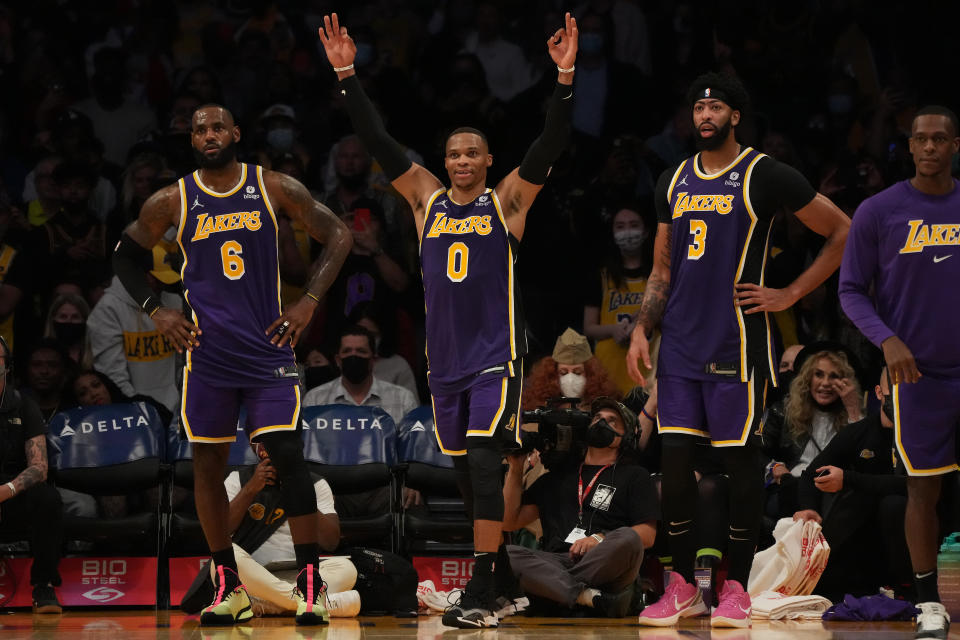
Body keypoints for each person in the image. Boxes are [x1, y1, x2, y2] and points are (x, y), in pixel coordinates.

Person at [319, 11, 578, 629]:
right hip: (446, 366)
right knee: (466, 477)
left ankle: (482, 588)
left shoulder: (507, 202)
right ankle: (509, 580)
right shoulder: (425, 200)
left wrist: (565, 79)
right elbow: (379, 142)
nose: (461, 161)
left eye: (472, 153)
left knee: (488, 468)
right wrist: (347, 74)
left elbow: (549, 145)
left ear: (489, 160)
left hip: (495, 358)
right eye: (453, 154)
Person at [112, 103, 352, 626]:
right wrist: (157, 311)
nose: (209, 134)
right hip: (208, 359)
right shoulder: (172, 199)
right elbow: (123, 256)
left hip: (267, 350)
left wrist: (309, 299)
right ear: (191, 139)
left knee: (287, 457)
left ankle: (310, 583)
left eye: (218, 126)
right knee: (206, 469)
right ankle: (229, 586)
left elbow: (339, 235)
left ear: (236, 133)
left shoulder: (271, 186)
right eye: (199, 128)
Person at [626, 72, 850, 628]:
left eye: (716, 107)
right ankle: (679, 585)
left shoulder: (763, 173)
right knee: (674, 470)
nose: (705, 115)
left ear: (735, 117)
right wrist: (639, 329)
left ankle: (736, 589)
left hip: (735, 343)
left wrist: (790, 293)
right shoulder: (672, 180)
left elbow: (842, 229)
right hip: (678, 343)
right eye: (698, 108)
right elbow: (661, 269)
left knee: (738, 467)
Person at [838, 104, 960, 639]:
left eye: (940, 139)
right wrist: (886, 341)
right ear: (909, 146)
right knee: (921, 492)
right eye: (921, 139)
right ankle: (927, 599)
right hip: (919, 377)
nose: (930, 147)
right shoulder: (878, 212)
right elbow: (849, 290)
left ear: (956, 145)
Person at [502, 397, 657, 617]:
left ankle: (555, 591)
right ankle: (585, 597)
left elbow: (647, 535)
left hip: (605, 561)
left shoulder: (635, 476)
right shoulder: (556, 477)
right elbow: (509, 521)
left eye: (612, 421)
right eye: (597, 418)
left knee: (629, 539)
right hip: (558, 559)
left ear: (627, 436)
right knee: (505, 554)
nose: (602, 423)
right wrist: (516, 467)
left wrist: (599, 539)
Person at [182, 440, 361, 619]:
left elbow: (330, 541)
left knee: (346, 568)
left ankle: (265, 605)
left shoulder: (315, 484)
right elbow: (222, 530)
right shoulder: (238, 478)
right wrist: (250, 489)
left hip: (300, 573)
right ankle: (312, 603)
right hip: (252, 573)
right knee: (224, 559)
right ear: (254, 448)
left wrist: (299, 492)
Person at [793, 368, 909, 600]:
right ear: (878, 392)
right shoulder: (858, 433)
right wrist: (809, 508)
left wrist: (849, 479)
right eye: (891, 393)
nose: (897, 400)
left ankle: (907, 588)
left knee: (892, 504)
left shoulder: (922, 434)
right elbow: (810, 475)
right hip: (859, 530)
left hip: (905, 526)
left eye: (905, 394)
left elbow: (912, 484)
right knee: (851, 500)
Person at [761, 345, 864, 518]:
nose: (825, 383)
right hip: (790, 485)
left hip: (834, 489)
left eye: (834, 376)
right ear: (808, 378)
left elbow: (863, 459)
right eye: (819, 374)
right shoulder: (783, 411)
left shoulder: (855, 418)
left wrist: (852, 408)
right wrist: (776, 467)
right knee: (795, 487)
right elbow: (758, 452)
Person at [0, 337, 64, 613]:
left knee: (47, 498)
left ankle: (44, 585)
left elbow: (39, 467)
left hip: (13, 495)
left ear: (7, 367)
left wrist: (9, 489)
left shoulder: (24, 406)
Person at [87, 246, 182, 413]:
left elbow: (183, 361)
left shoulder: (172, 301)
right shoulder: (108, 309)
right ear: (137, 274)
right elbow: (112, 373)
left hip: (178, 405)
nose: (161, 284)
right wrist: (140, 408)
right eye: (156, 278)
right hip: (134, 409)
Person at [583, 207, 657, 392]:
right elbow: (588, 328)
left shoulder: (659, 276)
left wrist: (643, 321)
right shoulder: (601, 276)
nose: (628, 231)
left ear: (646, 231)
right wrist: (614, 330)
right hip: (609, 371)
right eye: (620, 226)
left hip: (651, 369)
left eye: (633, 225)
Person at [303, 325, 417, 425]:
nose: (354, 356)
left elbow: (411, 446)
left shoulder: (403, 399)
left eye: (361, 351)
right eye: (347, 351)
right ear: (338, 360)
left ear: (373, 360)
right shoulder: (315, 400)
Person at [522, 327, 620, 412]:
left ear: (590, 374)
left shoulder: (603, 412)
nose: (570, 379)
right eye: (563, 372)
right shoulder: (540, 411)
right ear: (553, 375)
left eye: (577, 372)